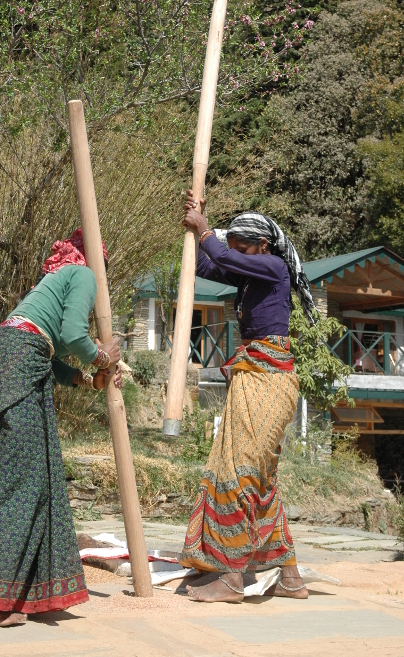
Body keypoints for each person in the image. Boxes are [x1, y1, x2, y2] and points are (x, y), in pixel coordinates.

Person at [0, 229, 121, 626]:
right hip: (16, 375)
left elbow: (48, 351)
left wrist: (85, 378)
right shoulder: (82, 275)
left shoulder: (47, 289)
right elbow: (69, 336)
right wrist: (102, 355)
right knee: (25, 486)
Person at [180, 192, 316, 603]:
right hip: (253, 374)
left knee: (239, 469)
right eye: (234, 245)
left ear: (263, 248)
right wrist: (193, 221)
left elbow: (221, 256)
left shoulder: (274, 269)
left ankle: (231, 576)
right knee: (262, 477)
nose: (237, 251)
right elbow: (208, 262)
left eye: (244, 247)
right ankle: (289, 576)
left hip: (271, 378)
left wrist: (206, 230)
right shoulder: (248, 275)